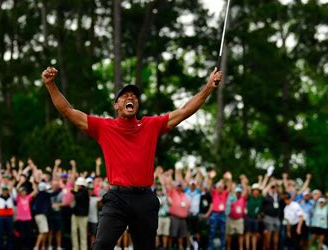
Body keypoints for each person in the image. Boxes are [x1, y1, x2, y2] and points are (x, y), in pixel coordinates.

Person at [42, 65, 222, 250]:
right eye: (125, 96)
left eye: (134, 96)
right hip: (117, 198)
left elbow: (184, 111)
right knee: (102, 245)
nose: (131, 98)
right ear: (116, 105)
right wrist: (50, 85)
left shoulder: (150, 125)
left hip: (144, 199)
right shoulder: (104, 127)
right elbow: (69, 112)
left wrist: (208, 86)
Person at [71, 177, 89, 250]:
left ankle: (83, 248)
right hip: (75, 215)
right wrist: (73, 191)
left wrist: (73, 191)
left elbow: (78, 197)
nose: (77, 186)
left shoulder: (85, 191)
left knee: (83, 234)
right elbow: (76, 195)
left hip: (82, 216)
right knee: (74, 232)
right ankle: (75, 248)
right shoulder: (79, 191)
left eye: (78, 184)